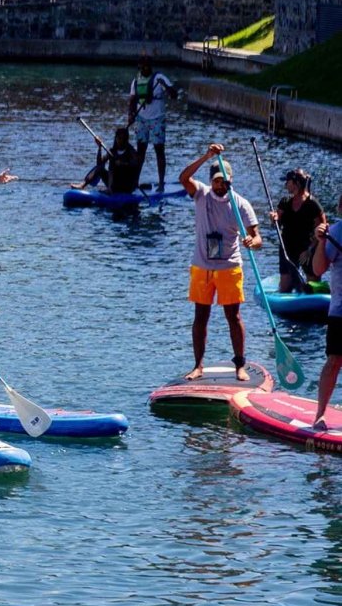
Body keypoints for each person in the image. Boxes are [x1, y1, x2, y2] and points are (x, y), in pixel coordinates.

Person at [179, 143, 262, 382]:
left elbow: (257, 237)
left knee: (233, 317)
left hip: (229, 267)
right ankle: (197, 366)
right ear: (211, 180)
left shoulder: (240, 204)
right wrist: (206, 155)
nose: (220, 185)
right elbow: (184, 177)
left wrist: (252, 242)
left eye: (224, 181)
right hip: (202, 267)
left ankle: (240, 365)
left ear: (230, 181)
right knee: (200, 317)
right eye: (216, 180)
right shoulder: (201, 194)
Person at [308, 197, 342, 427]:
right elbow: (318, 269)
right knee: (334, 360)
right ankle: (320, 414)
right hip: (340, 311)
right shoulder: (336, 232)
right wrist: (321, 241)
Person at [127, 58, 178, 188]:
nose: (145, 69)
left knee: (159, 150)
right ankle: (134, 182)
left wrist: (165, 86)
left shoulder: (159, 77)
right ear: (139, 67)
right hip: (141, 119)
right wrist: (131, 115)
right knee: (141, 152)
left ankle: (161, 183)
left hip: (157, 119)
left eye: (147, 66)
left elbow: (174, 95)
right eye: (142, 67)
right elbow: (132, 100)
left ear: (151, 67)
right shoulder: (136, 81)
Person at [272, 168, 325, 292]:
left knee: (312, 285)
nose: (285, 185)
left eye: (288, 182)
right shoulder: (285, 202)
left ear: (296, 183)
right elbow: (277, 222)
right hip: (287, 247)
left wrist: (310, 249)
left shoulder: (313, 204)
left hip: (307, 248)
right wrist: (274, 218)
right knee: (285, 288)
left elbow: (322, 231)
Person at [71, 126, 139, 194]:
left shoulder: (131, 151)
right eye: (118, 138)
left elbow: (135, 164)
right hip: (114, 184)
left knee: (114, 166)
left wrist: (122, 163)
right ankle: (83, 185)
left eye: (122, 138)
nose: (119, 141)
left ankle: (110, 189)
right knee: (100, 168)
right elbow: (99, 164)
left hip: (126, 184)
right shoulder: (112, 151)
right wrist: (100, 148)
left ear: (126, 140)